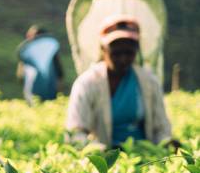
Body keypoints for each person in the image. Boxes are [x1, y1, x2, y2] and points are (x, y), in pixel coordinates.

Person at [66, 16, 173, 148]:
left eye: (129, 53)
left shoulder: (149, 81)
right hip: (106, 160)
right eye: (116, 53)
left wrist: (166, 143)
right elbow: (75, 132)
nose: (123, 59)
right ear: (103, 49)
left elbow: (161, 128)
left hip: (144, 156)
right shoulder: (87, 83)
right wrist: (101, 152)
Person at [16, 25, 64, 105]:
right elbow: (21, 76)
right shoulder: (27, 56)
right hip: (34, 94)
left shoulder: (50, 54)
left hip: (49, 92)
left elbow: (59, 73)